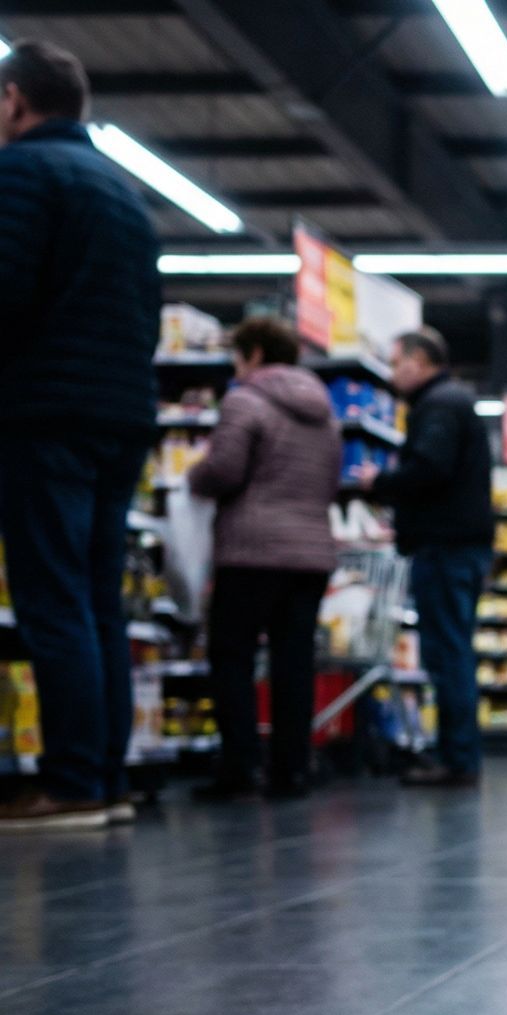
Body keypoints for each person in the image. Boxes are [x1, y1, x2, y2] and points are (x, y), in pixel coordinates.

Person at [0, 40, 161, 830]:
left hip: (48, 412)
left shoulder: (23, 174)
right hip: (122, 415)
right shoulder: (124, 192)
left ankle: (69, 783)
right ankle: (106, 776)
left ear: (12, 99)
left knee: (53, 596)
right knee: (97, 598)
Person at [188, 317, 342, 801]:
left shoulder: (244, 400)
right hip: (311, 552)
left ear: (253, 354)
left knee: (231, 656)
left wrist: (193, 478)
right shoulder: (327, 413)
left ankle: (239, 768)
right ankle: (291, 770)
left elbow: (225, 469)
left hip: (252, 549)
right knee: (292, 661)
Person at [356, 328, 493, 789]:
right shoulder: (453, 402)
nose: (394, 375)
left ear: (419, 361)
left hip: (446, 546)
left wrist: (383, 482)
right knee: (453, 651)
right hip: (459, 545)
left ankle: (457, 759)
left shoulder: (439, 406)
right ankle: (458, 755)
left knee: (447, 653)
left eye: (396, 364)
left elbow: (432, 467)